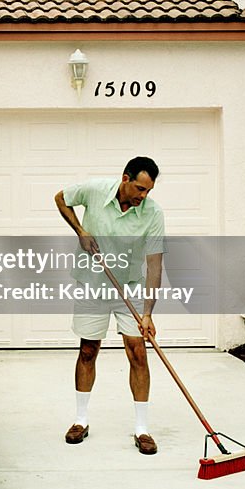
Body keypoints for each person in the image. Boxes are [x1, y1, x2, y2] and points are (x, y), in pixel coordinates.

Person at [54, 156, 165, 455]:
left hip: (129, 286)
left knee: (138, 352)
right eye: (140, 189)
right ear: (125, 179)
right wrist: (81, 231)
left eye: (148, 191)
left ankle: (142, 429)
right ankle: (80, 421)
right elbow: (61, 198)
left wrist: (147, 313)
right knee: (88, 349)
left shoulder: (153, 213)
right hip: (92, 284)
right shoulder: (94, 190)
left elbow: (154, 264)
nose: (144, 196)